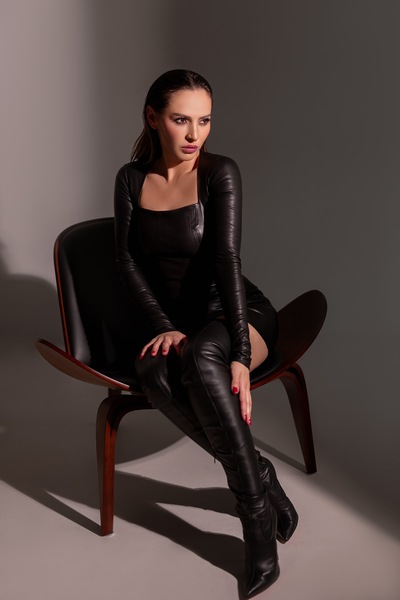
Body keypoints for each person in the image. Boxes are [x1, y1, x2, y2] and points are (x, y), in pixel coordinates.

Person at [114, 69, 298, 598]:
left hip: (243, 315)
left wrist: (239, 350)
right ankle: (258, 472)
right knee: (152, 371)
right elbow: (126, 261)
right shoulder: (130, 179)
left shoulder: (220, 173)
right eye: (181, 120)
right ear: (153, 119)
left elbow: (225, 260)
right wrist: (164, 327)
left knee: (201, 359)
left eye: (205, 120)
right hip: (183, 326)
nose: (195, 134)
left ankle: (255, 522)